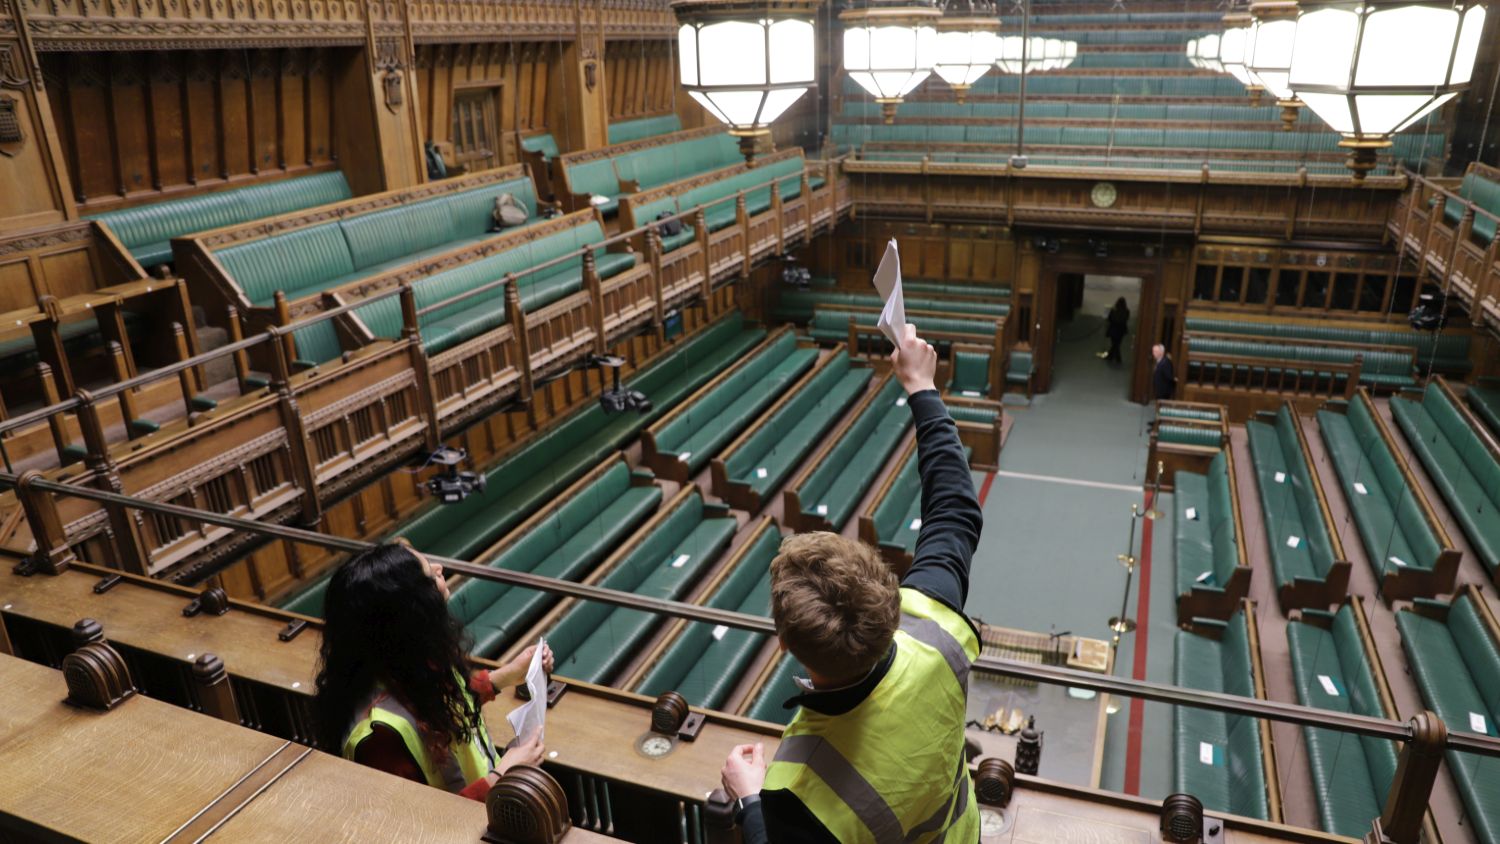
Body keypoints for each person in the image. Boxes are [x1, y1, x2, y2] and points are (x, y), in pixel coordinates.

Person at [719, 322, 983, 842]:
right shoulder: (935, 626)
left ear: (786, 645)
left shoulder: (795, 789)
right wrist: (921, 388)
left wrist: (750, 801)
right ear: (887, 593)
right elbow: (954, 510)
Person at [314, 542, 553, 801]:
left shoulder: (402, 659)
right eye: (429, 574)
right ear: (411, 609)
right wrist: (502, 775)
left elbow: (438, 699)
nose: (440, 567)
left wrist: (505, 676)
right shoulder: (379, 740)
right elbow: (420, 825)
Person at [1105, 297, 1130, 362]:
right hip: (1121, 330)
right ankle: (1113, 357)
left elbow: (1109, 319)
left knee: (1114, 344)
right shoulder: (1126, 311)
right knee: (1117, 344)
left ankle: (1113, 357)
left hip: (1113, 329)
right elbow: (1126, 319)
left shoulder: (1113, 310)